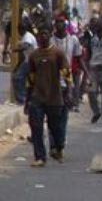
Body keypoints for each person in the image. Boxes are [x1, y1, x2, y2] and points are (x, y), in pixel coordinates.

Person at [25, 25, 72, 167]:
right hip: (37, 97)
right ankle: (40, 157)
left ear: (50, 35)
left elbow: (67, 74)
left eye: (46, 34)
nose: (43, 37)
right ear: (38, 36)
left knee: (55, 127)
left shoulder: (58, 53)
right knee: (36, 128)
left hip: (54, 97)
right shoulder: (34, 55)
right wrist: (27, 101)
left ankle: (58, 147)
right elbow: (30, 79)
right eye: (41, 34)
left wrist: (68, 93)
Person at [49, 18, 84, 147]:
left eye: (61, 23)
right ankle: (53, 142)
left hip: (67, 80)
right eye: (56, 22)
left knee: (64, 112)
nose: (59, 25)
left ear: (65, 25)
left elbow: (78, 58)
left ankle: (61, 139)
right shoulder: (50, 41)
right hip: (51, 81)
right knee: (52, 113)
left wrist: (86, 74)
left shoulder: (73, 40)